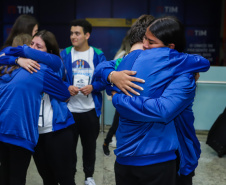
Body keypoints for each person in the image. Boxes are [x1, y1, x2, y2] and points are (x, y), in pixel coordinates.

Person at [94, 16, 210, 185]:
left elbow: (163, 110)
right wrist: (112, 76)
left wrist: (119, 99)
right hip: (134, 156)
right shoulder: (133, 60)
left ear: (169, 48)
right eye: (144, 40)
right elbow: (101, 69)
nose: (145, 47)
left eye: (151, 42)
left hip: (174, 153)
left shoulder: (183, 73)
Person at [2, 30, 77, 185]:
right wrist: (18, 60)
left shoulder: (48, 67)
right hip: (36, 133)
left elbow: (64, 93)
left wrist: (24, 52)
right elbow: (4, 54)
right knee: (46, 178)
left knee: (65, 178)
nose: (34, 49)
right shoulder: (21, 69)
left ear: (48, 52)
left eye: (39, 46)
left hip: (56, 130)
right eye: (31, 44)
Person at [60, 19, 106, 185]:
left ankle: (89, 177)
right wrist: (67, 87)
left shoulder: (97, 55)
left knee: (89, 147)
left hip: (90, 110)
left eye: (77, 33)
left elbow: (105, 79)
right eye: (71, 33)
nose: (73, 36)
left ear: (87, 35)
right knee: (68, 149)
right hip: (70, 110)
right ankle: (70, 178)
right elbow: (59, 79)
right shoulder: (64, 54)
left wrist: (93, 87)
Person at [102, 18, 153, 156]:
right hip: (133, 146)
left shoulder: (157, 61)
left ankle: (107, 142)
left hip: (144, 144)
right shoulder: (124, 58)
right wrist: (112, 76)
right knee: (116, 122)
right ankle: (106, 142)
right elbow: (102, 69)